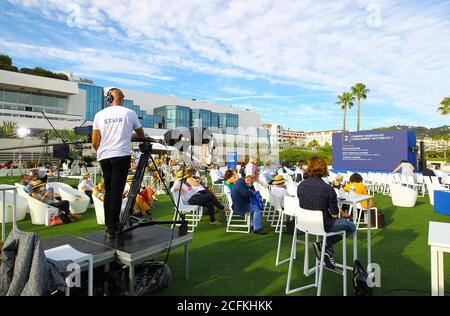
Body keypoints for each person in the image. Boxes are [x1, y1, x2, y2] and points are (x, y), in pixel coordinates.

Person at [92, 87, 145, 241]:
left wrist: (103, 150)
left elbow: (95, 142)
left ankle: (109, 226)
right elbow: (140, 134)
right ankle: (112, 229)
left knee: (109, 191)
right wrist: (128, 136)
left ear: (109, 99)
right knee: (116, 192)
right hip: (121, 156)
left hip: (104, 156)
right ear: (122, 99)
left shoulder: (99, 115)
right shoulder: (129, 113)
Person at [297, 157, 356, 269]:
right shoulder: (328, 189)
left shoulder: (301, 185)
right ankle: (324, 245)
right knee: (351, 227)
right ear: (323, 169)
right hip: (323, 225)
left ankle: (325, 248)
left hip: (305, 224)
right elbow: (334, 215)